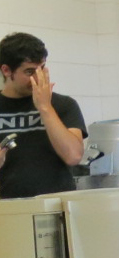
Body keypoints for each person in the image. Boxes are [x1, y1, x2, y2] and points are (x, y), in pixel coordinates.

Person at [0, 32, 86, 199]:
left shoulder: (63, 105)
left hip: (56, 206)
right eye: (30, 72)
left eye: (42, 69)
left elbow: (73, 156)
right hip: (7, 207)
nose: (38, 79)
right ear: (6, 70)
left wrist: (45, 107)